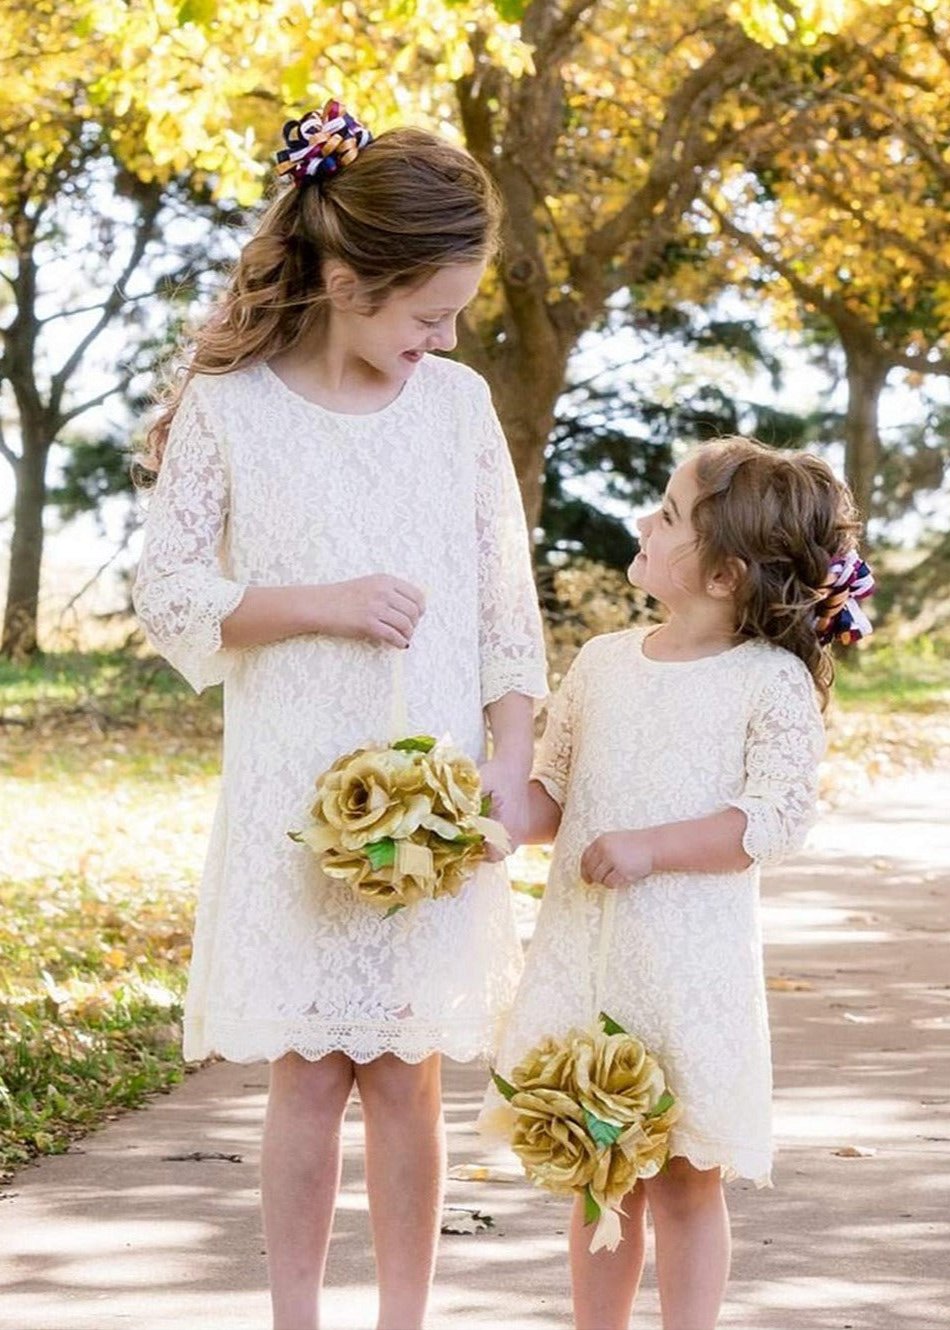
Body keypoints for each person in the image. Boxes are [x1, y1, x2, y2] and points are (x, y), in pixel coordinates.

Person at [133, 99, 546, 1330]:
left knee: (406, 1074)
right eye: (427, 313)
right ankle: (296, 1317)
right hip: (292, 795)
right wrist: (323, 602)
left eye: (457, 314)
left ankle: (402, 1320)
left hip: (437, 799)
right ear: (347, 278)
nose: (445, 334)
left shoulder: (458, 406)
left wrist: (504, 778)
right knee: (308, 1071)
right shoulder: (231, 402)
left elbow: (506, 613)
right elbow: (170, 594)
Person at [487, 436, 874, 1330]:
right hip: (592, 959)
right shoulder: (604, 663)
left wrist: (653, 847)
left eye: (666, 516)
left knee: (686, 1179)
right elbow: (554, 789)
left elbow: (772, 821)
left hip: (689, 973)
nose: (643, 522)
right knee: (597, 1163)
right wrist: (497, 818)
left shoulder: (769, 682)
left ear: (726, 575)